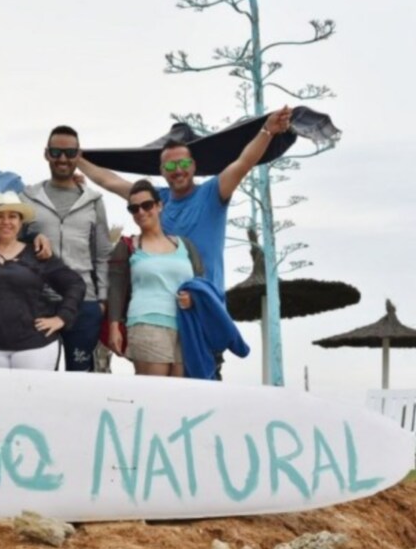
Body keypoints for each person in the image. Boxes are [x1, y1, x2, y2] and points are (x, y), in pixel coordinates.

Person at [78, 107, 293, 293]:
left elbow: (244, 161)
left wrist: (267, 130)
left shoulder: (212, 193)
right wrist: (76, 159)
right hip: (167, 307)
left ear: (193, 166)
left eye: (182, 164)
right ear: (162, 171)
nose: (177, 170)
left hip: (206, 303)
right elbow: (111, 181)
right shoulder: (155, 202)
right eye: (170, 166)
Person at [0, 191, 85, 370]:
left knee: (32, 396)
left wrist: (62, 317)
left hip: (35, 346)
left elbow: (75, 284)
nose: (6, 222)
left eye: (12, 216)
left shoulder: (37, 253)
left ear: (21, 223)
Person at [21, 125, 112, 372]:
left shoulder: (93, 201)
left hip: (84, 302)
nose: (63, 158)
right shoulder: (28, 197)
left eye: (70, 153)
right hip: (39, 302)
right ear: (46, 154)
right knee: (37, 379)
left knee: (81, 377)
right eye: (56, 151)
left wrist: (102, 298)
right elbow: (14, 242)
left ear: (78, 155)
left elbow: (103, 253)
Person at [107, 180, 203, 377]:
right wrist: (114, 327)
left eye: (147, 205)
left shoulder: (185, 245)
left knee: (180, 395)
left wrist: (194, 299)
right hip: (145, 323)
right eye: (134, 208)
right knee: (155, 396)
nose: (141, 212)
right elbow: (115, 288)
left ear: (159, 206)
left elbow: (201, 283)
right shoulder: (127, 246)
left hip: (185, 327)